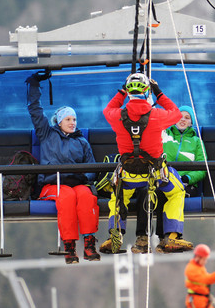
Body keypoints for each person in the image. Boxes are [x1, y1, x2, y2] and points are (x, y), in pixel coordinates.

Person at [100, 72, 193, 254]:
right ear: (146, 90)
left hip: (128, 174)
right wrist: (158, 92)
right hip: (155, 174)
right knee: (177, 191)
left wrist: (121, 92)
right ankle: (172, 236)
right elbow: (175, 113)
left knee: (118, 198)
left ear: (128, 91)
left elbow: (107, 109)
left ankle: (115, 235)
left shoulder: (117, 116)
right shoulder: (157, 115)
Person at [25, 71, 100, 264]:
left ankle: (89, 244)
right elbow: (35, 110)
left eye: (74, 120)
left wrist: (85, 177)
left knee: (85, 196)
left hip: (77, 183)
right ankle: (69, 247)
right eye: (68, 119)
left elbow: (91, 167)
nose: (72, 123)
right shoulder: (47, 135)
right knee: (66, 197)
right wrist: (35, 86)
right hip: (54, 183)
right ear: (59, 121)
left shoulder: (82, 142)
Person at [133, 105, 207, 253]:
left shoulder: (196, 142)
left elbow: (202, 168)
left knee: (167, 193)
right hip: (162, 178)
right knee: (151, 192)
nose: (183, 120)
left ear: (191, 123)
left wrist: (187, 178)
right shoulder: (164, 135)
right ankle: (149, 237)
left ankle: (165, 237)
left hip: (184, 182)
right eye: (180, 116)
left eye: (187, 118)